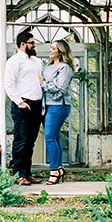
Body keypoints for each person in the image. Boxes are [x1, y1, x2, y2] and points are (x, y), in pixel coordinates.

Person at [4, 30, 43, 185]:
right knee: (21, 140)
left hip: (36, 105)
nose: (34, 45)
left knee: (31, 141)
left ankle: (27, 173)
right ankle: (18, 174)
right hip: (23, 105)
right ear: (23, 44)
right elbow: (9, 83)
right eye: (31, 43)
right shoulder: (14, 61)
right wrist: (19, 102)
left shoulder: (36, 61)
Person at [38, 39, 75, 185]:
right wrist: (46, 85)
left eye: (53, 48)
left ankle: (53, 171)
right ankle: (59, 168)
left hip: (59, 106)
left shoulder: (65, 68)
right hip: (46, 105)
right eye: (51, 48)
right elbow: (48, 86)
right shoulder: (47, 67)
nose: (50, 50)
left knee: (49, 137)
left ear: (60, 51)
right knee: (55, 136)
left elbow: (60, 88)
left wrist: (44, 84)